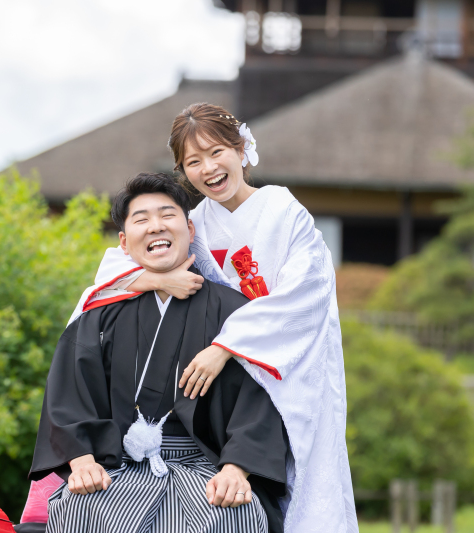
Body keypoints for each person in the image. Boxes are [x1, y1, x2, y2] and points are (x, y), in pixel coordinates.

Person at [67, 104, 356, 532]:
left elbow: (305, 295)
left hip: (288, 365)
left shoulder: (284, 211)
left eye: (216, 152)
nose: (208, 169)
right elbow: (115, 271)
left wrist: (225, 345)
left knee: (312, 480)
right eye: (193, 162)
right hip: (225, 385)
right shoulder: (193, 222)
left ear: (241, 149)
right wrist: (152, 281)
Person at [17, 173, 290, 533]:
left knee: (232, 514)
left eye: (167, 215)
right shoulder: (100, 313)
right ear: (124, 242)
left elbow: (262, 399)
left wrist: (236, 469)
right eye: (141, 219)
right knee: (80, 509)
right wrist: (82, 461)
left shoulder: (236, 311)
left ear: (190, 230)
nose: (156, 227)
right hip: (118, 463)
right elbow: (68, 394)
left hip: (206, 466)